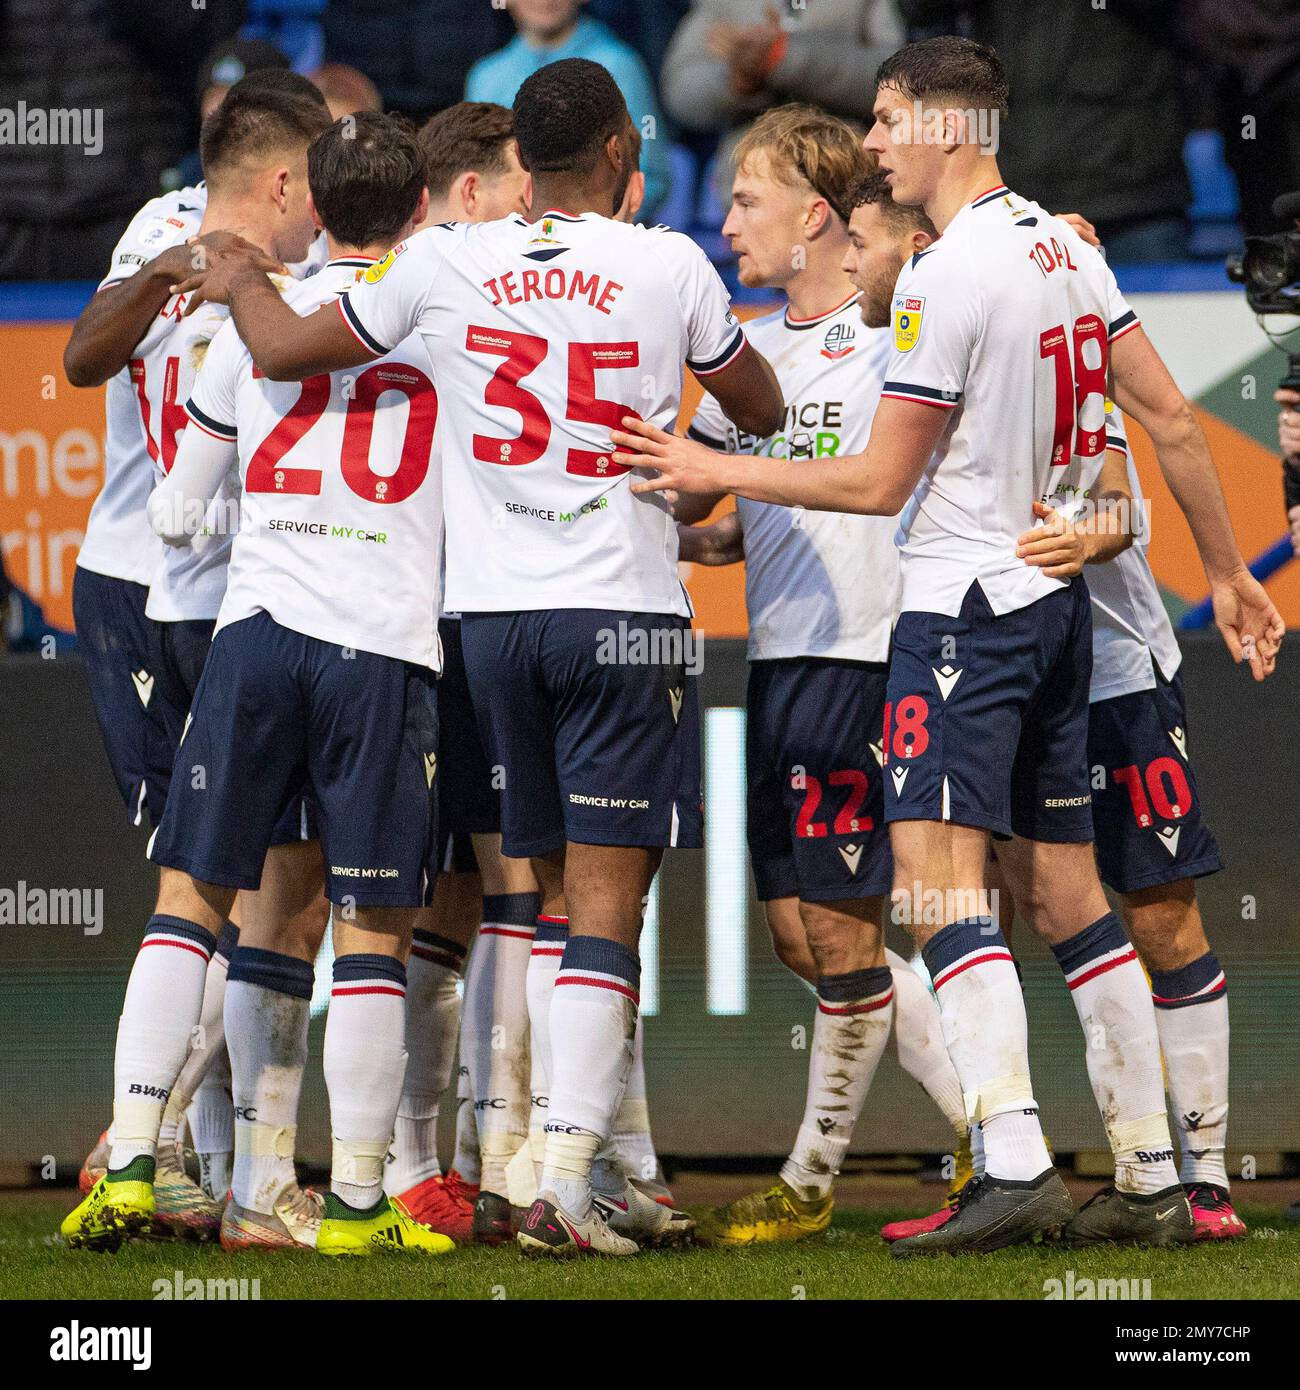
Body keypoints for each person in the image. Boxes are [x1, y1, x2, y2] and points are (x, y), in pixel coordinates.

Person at [612, 36, 1283, 1254]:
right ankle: (1148, 1172)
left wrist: (713, 466)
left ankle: (1012, 1156)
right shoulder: (1066, 248)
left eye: (884, 118)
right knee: (1071, 890)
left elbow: (878, 484)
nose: (871, 141)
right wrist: (1227, 570)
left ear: (944, 126)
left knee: (932, 882)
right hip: (1051, 616)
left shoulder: (943, 276)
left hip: (961, 610)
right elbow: (1172, 418)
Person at [172, 56, 783, 1258]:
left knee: (533, 897)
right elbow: (753, 411)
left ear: (523, 164)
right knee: (602, 908)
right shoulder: (665, 262)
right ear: (618, 153)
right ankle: (556, 1178)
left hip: (488, 623)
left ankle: (516, 1167)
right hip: (622, 610)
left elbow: (292, 350)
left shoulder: (446, 259)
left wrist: (242, 279)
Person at [130, 111, 456, 1258]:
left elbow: (176, 511)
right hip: (383, 642)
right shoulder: (452, 316)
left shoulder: (245, 327)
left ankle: (131, 1158)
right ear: (420, 207)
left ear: (311, 203)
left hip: (257, 631)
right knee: (370, 928)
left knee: (194, 898)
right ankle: (362, 1201)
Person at [674, 106, 973, 1246]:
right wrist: (690, 511)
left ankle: (811, 1182)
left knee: (846, 939)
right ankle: (989, 1128)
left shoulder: (894, 324)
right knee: (806, 939)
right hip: (781, 656)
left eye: (745, 200)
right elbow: (710, 498)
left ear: (815, 215)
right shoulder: (753, 358)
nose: (725, 219)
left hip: (865, 656)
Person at [60, 77, 335, 1254]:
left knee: (226, 883)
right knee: (247, 884)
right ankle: (189, 1151)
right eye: (313, 182)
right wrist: (176, 272)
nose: (320, 208)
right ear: (280, 176)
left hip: (216, 594)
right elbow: (80, 357)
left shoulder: (260, 251)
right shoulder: (171, 237)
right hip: (164, 589)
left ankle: (188, 1153)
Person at [465, 0, 671, 218]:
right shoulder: (486, 76)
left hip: (600, 239)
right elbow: (475, 172)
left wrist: (599, 230)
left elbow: (651, 174)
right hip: (508, 239)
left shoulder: (621, 66)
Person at [661, 0, 905, 134]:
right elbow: (680, 91)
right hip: (751, 185)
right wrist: (737, 81)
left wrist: (783, 57)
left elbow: (895, 81)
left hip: (846, 174)